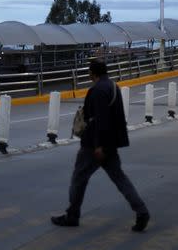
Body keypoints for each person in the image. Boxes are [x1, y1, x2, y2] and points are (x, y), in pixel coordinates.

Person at [51, 60, 150, 232]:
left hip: (94, 146)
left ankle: (72, 215)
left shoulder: (97, 91)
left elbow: (99, 120)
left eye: (89, 72)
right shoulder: (113, 87)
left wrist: (98, 146)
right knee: (120, 179)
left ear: (93, 73)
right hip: (110, 144)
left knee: (78, 179)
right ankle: (141, 211)